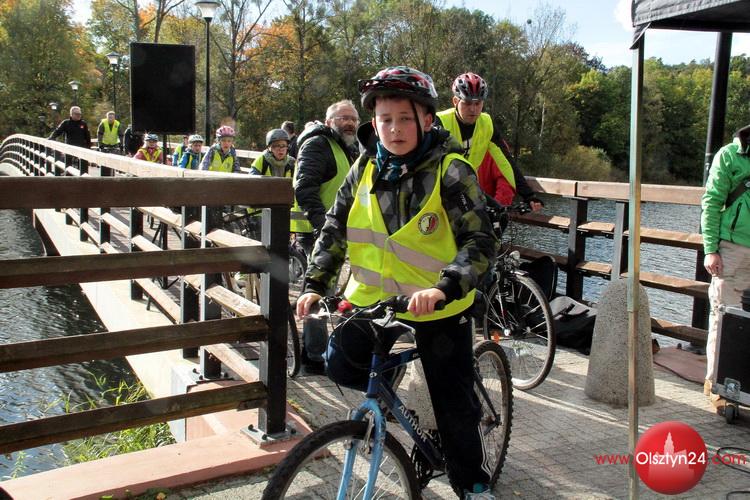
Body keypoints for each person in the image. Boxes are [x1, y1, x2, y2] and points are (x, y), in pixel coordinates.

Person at [296, 66, 497, 499]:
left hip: (439, 303)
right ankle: (400, 408)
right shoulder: (364, 168)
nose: (394, 129)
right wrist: (315, 283)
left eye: (405, 118)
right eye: (385, 119)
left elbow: (480, 242)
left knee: (453, 402)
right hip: (375, 299)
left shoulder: (451, 171)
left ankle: (474, 485)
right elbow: (334, 229)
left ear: (427, 120)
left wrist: (445, 287)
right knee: (339, 363)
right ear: (373, 123)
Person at [290, 100, 359, 373]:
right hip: (317, 233)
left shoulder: (347, 147)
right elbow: (305, 187)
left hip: (339, 232)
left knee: (326, 291)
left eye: (353, 118)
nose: (350, 122)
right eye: (343, 118)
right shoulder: (318, 144)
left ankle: (319, 350)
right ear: (329, 121)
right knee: (319, 291)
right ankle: (314, 356)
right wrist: (322, 226)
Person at [436, 72, 542, 211]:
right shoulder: (440, 122)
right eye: (467, 103)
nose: (473, 109)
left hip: (466, 189)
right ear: (455, 101)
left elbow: (506, 161)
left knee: (496, 213)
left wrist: (528, 195)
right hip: (438, 191)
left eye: (478, 103)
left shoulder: (486, 124)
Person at [701, 123, 750, 412]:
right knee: (724, 316)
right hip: (732, 249)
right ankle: (717, 383)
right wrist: (711, 249)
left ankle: (743, 384)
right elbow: (711, 202)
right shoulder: (730, 155)